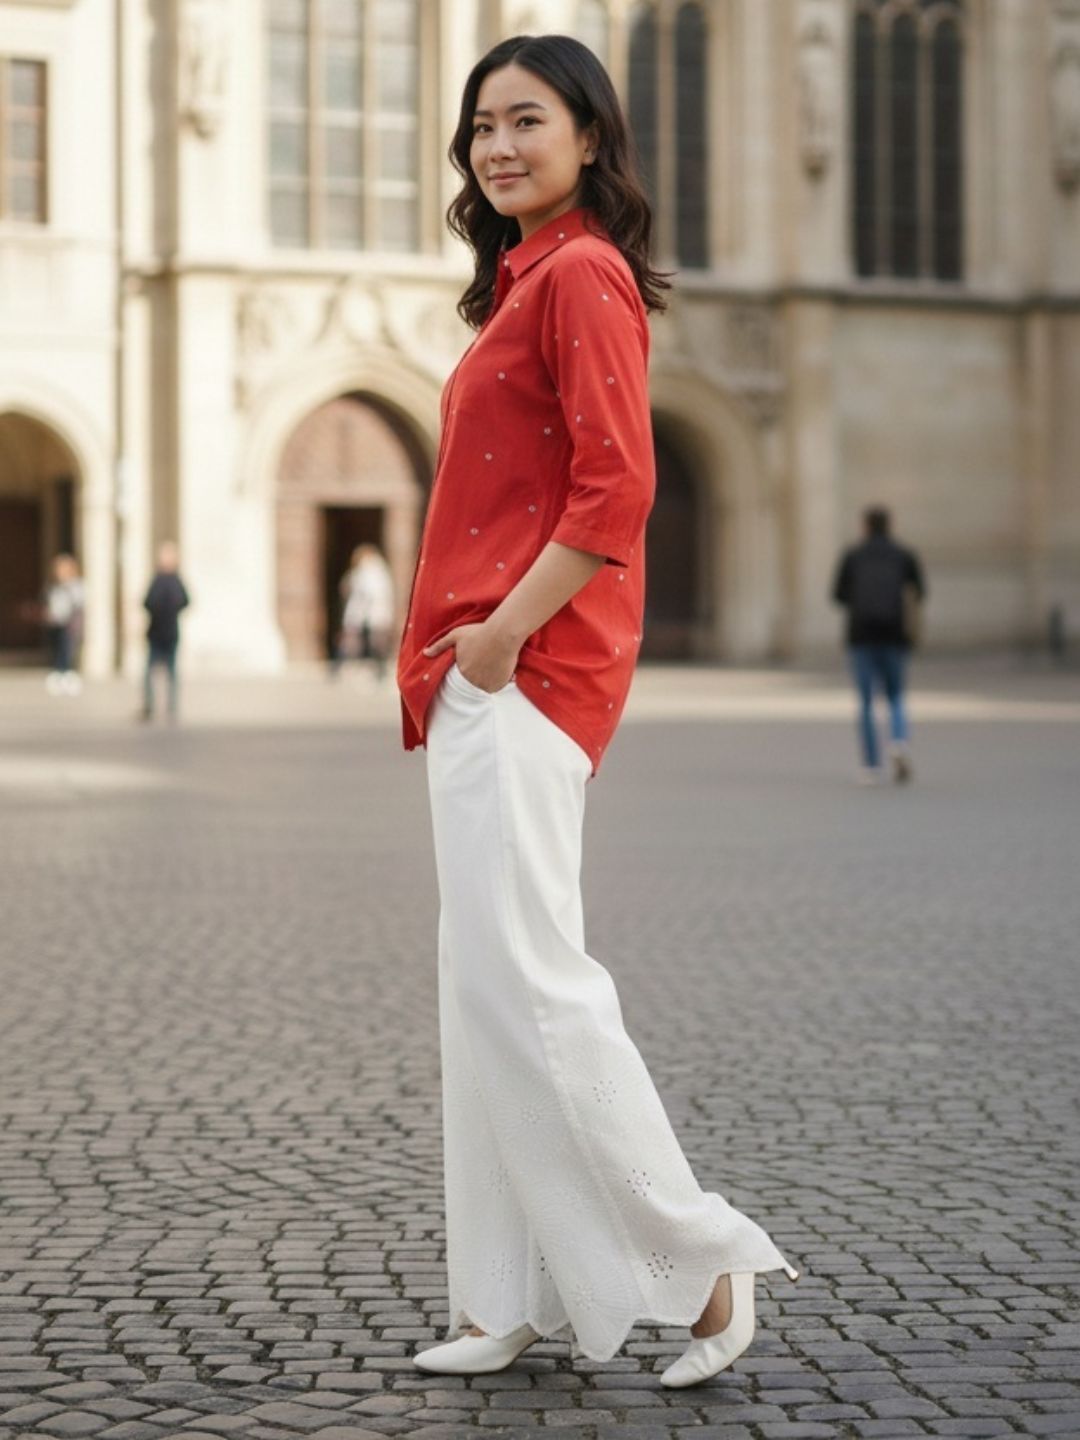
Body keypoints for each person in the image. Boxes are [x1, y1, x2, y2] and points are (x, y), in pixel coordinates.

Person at [396, 33, 799, 1387]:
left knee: (536, 986)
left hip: (521, 674)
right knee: (484, 993)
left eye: (527, 120)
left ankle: (704, 1263)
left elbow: (618, 489)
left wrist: (502, 637)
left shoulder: (580, 274)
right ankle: (503, 1297)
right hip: (480, 677)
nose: (498, 146)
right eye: (481, 127)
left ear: (588, 136)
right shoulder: (525, 280)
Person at [831, 506, 927, 783]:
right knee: (895, 695)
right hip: (894, 633)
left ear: (865, 526)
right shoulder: (904, 554)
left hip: (861, 635)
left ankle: (871, 765)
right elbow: (920, 592)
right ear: (889, 525)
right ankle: (898, 740)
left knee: (865, 702)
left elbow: (838, 595)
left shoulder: (853, 555)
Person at [141, 541, 189, 722]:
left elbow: (186, 601)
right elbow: (147, 602)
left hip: (170, 633)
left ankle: (171, 706)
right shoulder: (158, 580)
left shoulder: (176, 580)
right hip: (157, 633)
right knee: (149, 672)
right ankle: (150, 705)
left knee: (172, 672)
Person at [332, 544, 395, 681]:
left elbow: (366, 594)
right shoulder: (372, 571)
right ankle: (339, 667)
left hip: (367, 613)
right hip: (368, 613)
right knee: (358, 642)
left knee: (370, 642)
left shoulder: (370, 571)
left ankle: (380, 671)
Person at [42, 553, 84, 696]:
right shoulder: (53, 586)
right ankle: (58, 674)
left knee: (67, 649)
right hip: (55, 623)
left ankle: (67, 674)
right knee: (57, 649)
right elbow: (50, 601)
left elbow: (78, 602)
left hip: (68, 624)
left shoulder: (74, 585)